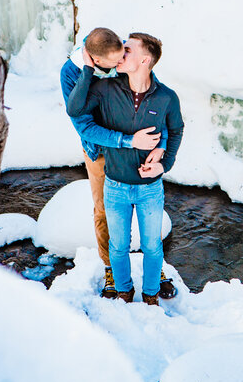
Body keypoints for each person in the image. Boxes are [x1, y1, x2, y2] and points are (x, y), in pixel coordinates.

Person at [67, 32, 183, 306]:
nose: (121, 51)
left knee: (153, 247)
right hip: (115, 185)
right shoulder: (105, 88)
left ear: (145, 59)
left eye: (127, 49)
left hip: (150, 189)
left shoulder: (166, 97)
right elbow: (75, 109)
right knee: (118, 248)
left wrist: (164, 164)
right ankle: (124, 293)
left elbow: (176, 129)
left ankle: (151, 295)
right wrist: (87, 69)